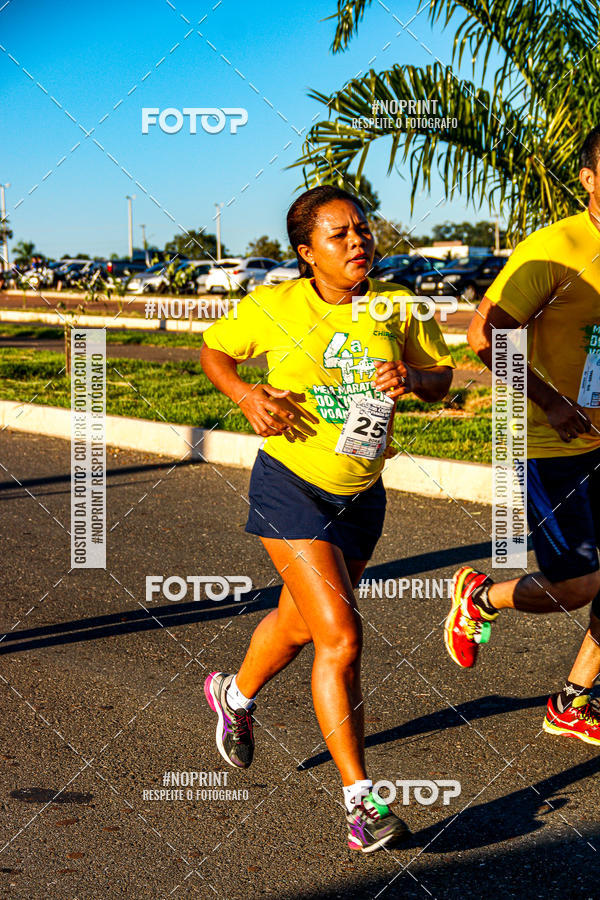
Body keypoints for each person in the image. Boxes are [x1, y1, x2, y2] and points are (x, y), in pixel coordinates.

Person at [200, 185, 454, 852]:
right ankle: (361, 805)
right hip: (291, 485)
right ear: (307, 252)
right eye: (338, 235)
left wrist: (413, 379)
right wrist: (247, 393)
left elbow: (442, 377)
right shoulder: (275, 304)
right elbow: (214, 352)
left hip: (362, 491)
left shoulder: (397, 305)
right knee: (340, 635)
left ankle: (234, 694)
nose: (358, 242)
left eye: (362, 229)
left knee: (299, 624)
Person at [445, 125, 600, 745]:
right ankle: (483, 596)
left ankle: (575, 698)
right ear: (589, 179)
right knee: (579, 585)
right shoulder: (554, 248)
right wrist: (553, 403)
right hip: (548, 441)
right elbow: (485, 335)